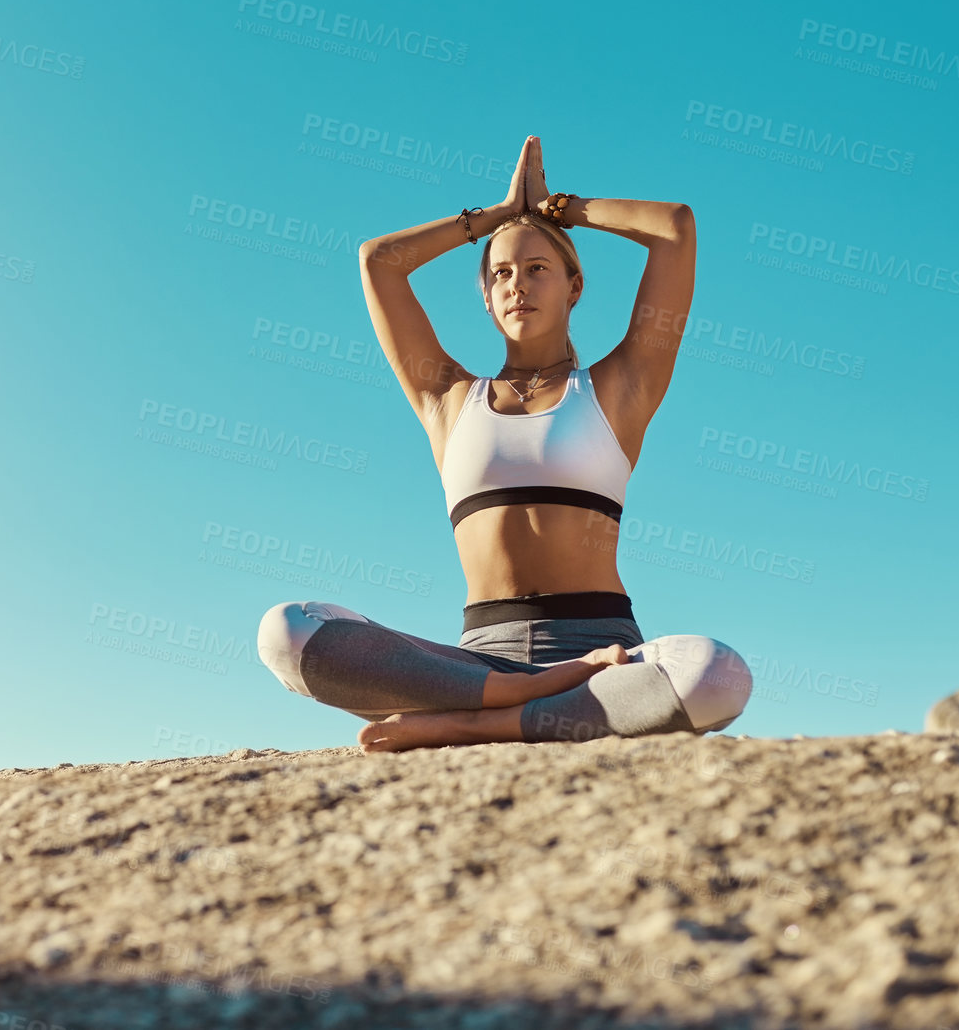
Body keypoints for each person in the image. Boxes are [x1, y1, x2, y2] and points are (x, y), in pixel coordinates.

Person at [256, 135, 753, 754]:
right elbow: (378, 260)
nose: (519, 284)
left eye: (539, 269)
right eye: (502, 274)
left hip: (603, 649)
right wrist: (493, 217)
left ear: (575, 287)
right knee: (287, 631)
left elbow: (675, 228)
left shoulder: (620, 387)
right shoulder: (445, 397)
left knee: (720, 674)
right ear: (488, 300)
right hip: (475, 666)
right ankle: (520, 700)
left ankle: (473, 725)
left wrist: (556, 209)